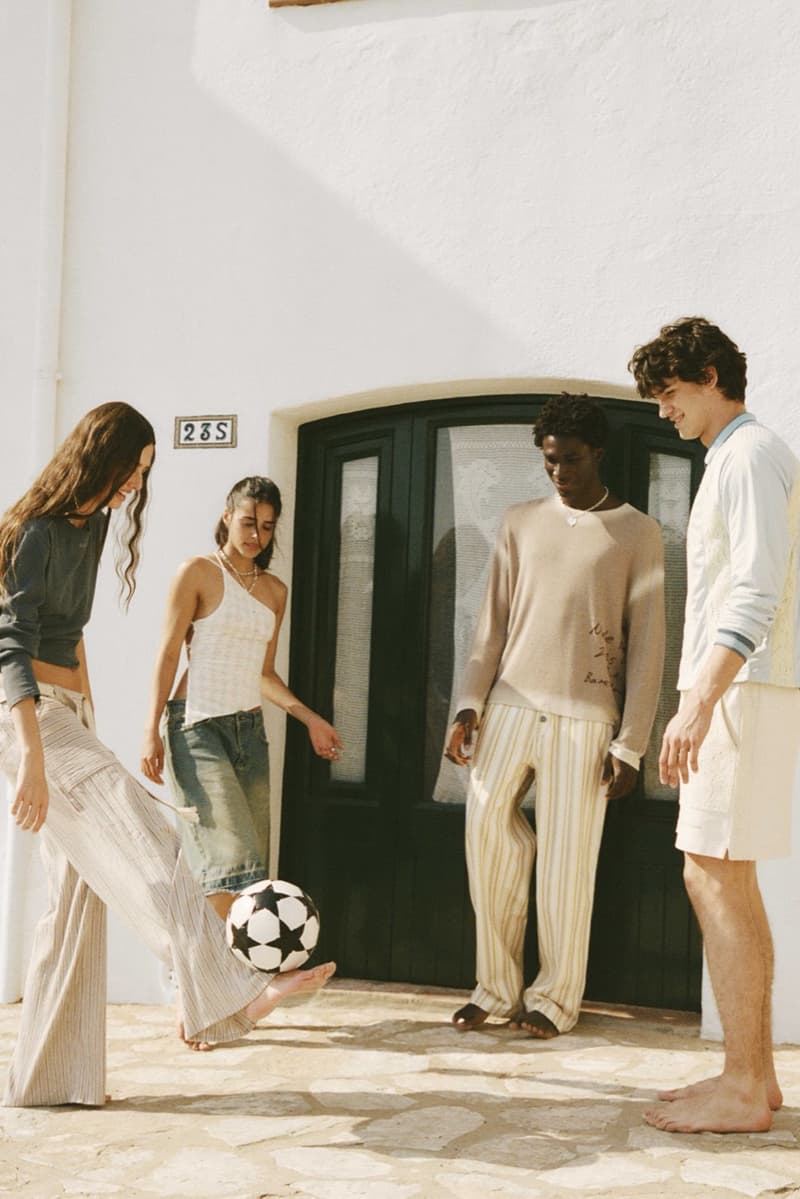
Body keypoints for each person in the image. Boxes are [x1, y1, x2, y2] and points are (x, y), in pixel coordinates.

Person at [0, 404, 335, 1108]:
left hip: (69, 716)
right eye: (130, 468)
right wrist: (31, 753)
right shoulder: (34, 532)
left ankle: (49, 1081)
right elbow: (11, 645)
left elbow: (74, 638)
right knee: (149, 835)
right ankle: (232, 987)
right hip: (24, 717)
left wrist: (89, 721)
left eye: (143, 474)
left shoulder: (87, 532)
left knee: (73, 899)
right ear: (99, 457)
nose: (133, 486)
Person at [446, 394, 665, 1039]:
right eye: (549, 461)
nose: (559, 472)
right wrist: (467, 705)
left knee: (569, 862)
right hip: (508, 706)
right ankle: (496, 987)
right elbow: (490, 628)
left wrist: (631, 745)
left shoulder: (638, 532)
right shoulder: (518, 522)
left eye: (570, 460)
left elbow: (650, 645)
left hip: (587, 718)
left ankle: (556, 999)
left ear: (597, 452)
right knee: (487, 840)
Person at [629, 317, 800, 1134]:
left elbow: (756, 592)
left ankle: (740, 1086)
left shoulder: (750, 455)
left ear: (709, 373)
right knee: (722, 873)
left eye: (669, 395)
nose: (664, 412)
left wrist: (697, 699)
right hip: (739, 692)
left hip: (743, 692)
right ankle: (754, 1076)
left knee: (714, 873)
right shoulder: (735, 457)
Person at [140, 475, 342, 922]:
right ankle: (207, 975)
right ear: (227, 517)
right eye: (249, 522)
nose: (256, 535)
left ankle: (227, 975)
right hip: (196, 727)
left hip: (249, 735)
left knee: (251, 873)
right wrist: (151, 730)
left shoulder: (274, 591)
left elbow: (264, 674)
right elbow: (170, 653)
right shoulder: (198, 572)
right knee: (231, 858)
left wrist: (309, 719)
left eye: (267, 527)